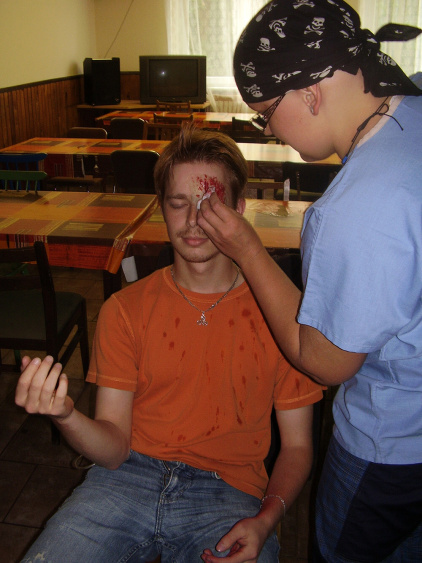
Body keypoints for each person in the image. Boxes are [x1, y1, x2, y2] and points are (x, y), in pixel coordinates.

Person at [15, 124, 323, 563]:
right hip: (125, 479)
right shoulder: (124, 309)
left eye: (211, 205)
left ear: (239, 209)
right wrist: (65, 415)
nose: (194, 221)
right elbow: (114, 449)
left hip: (229, 493)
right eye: (179, 204)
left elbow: (297, 447)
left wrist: (267, 519)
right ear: (162, 208)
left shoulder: (282, 317)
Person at [196, 1, 422, 562]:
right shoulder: (413, 102)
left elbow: (324, 361)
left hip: (394, 449)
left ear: (310, 94)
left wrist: (248, 250)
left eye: (265, 115)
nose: (270, 131)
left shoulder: (356, 210)